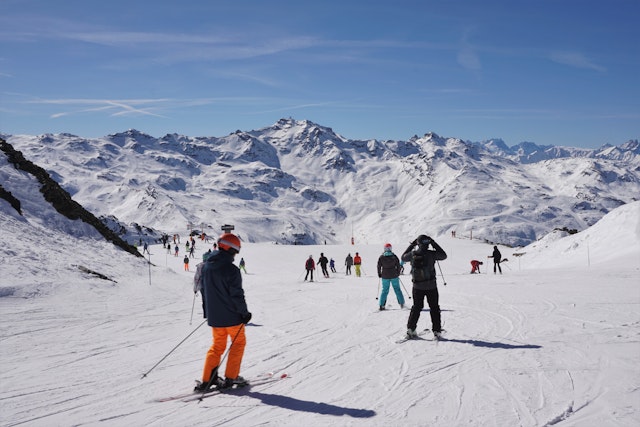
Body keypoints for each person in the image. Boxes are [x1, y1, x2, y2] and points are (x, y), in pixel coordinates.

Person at [196, 233, 251, 392]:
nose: (235, 255)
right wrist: (244, 313)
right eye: (235, 251)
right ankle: (231, 377)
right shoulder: (231, 270)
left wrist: (209, 312)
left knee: (217, 346)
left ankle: (208, 379)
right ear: (230, 249)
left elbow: (204, 291)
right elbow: (236, 294)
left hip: (215, 318)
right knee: (238, 343)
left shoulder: (206, 266)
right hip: (233, 317)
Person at [402, 235, 447, 340]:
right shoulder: (431, 254)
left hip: (417, 286)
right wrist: (434, 243)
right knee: (434, 307)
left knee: (416, 307)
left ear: (418, 243)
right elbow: (444, 255)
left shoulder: (412, 254)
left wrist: (412, 245)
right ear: (427, 243)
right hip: (431, 286)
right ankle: (436, 330)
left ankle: (411, 329)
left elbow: (403, 257)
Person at [377, 243, 405, 310]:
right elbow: (398, 266)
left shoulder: (381, 257)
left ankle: (381, 305)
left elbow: (378, 266)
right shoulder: (394, 256)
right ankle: (402, 304)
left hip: (385, 276)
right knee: (397, 289)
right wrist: (398, 273)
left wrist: (379, 274)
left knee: (384, 290)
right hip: (394, 275)